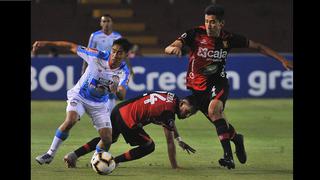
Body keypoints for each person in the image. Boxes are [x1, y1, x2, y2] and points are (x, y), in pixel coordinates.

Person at [164, 4, 293, 169]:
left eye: (213, 22)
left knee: (214, 111)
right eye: (207, 21)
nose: (209, 25)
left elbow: (258, 46)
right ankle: (237, 139)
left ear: (221, 23)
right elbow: (170, 46)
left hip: (219, 82)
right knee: (219, 122)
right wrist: (173, 49)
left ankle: (228, 157)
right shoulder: (195, 33)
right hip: (197, 88)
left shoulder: (229, 38)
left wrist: (282, 60)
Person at [33, 38, 132, 165]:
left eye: (119, 53)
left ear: (126, 54)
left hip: (99, 104)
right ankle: (50, 154)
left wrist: (116, 91)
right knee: (70, 120)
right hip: (79, 96)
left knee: (107, 139)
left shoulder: (124, 72)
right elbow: (71, 46)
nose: (115, 55)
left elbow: (122, 94)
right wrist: (47, 43)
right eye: (113, 51)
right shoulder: (97, 55)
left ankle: (96, 162)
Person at [106, 91, 196, 167]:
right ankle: (113, 161)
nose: (186, 115)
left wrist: (179, 139)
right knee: (149, 146)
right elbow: (169, 140)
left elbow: (170, 123)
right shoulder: (168, 113)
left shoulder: (173, 98)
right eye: (187, 111)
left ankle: (94, 152)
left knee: (109, 138)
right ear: (182, 103)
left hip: (120, 109)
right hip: (128, 119)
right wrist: (175, 166)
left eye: (189, 114)